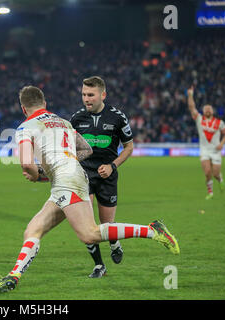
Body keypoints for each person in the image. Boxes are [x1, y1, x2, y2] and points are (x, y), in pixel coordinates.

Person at [0, 85, 179, 293]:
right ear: (45, 104)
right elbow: (87, 149)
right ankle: (13, 278)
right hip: (68, 179)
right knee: (33, 230)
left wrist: (35, 175)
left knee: (90, 234)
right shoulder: (64, 122)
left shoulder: (26, 127)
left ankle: (152, 230)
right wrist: (59, 166)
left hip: (67, 181)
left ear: (23, 108)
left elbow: (26, 165)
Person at [70, 76, 134, 278]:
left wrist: (112, 166)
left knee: (107, 226)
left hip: (108, 177)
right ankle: (99, 265)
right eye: (83, 95)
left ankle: (114, 242)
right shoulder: (77, 119)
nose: (86, 99)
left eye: (91, 95)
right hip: (84, 177)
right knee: (87, 227)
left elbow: (129, 147)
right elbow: (70, 148)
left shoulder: (118, 117)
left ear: (102, 95)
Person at [187, 86, 225, 200]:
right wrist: (190, 95)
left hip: (216, 150)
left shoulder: (219, 123)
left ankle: (220, 179)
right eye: (206, 109)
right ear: (204, 111)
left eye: (209, 109)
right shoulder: (199, 119)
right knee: (207, 172)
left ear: (212, 111)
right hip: (204, 150)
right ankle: (210, 192)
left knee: (215, 173)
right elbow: (192, 107)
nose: (208, 110)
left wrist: (221, 144)